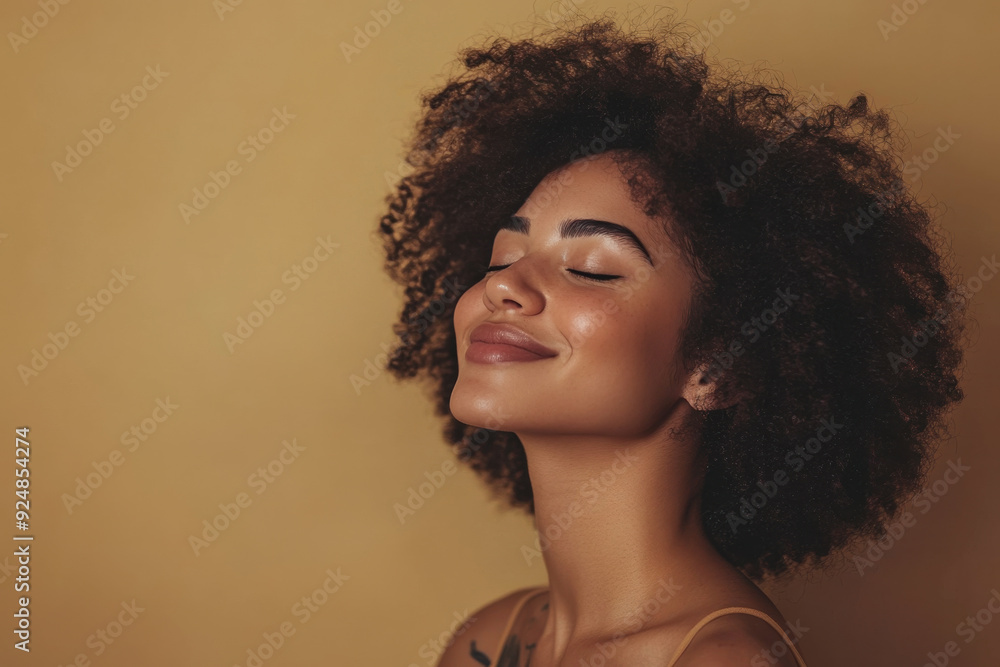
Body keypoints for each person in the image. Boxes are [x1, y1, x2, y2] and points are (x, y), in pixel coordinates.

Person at [376, 9, 967, 666]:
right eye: (500, 258)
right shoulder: (487, 638)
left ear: (717, 365)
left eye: (591, 268)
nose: (504, 285)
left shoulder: (721, 659)